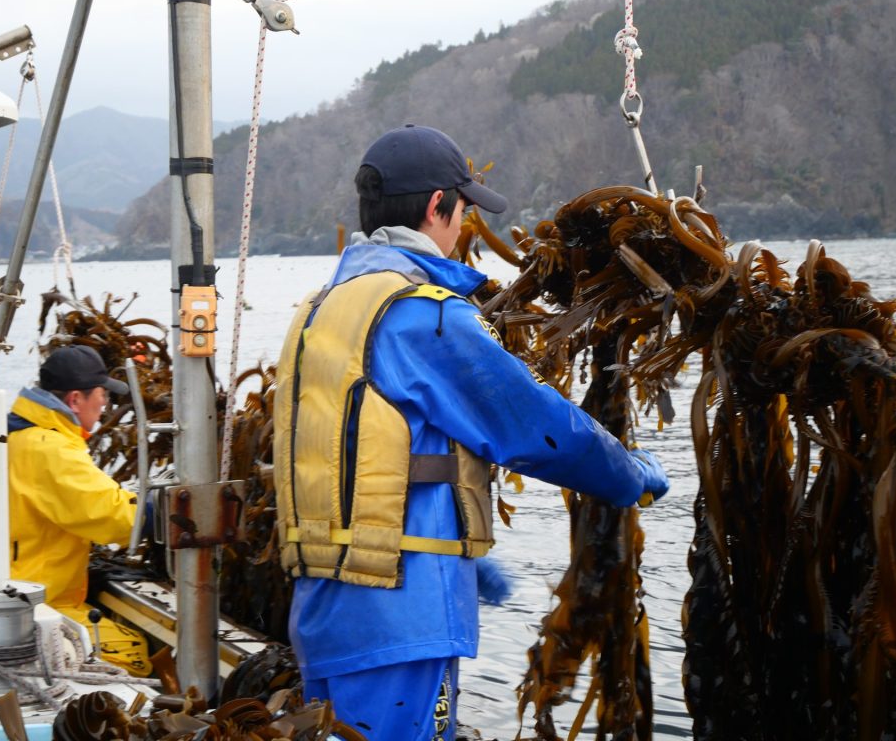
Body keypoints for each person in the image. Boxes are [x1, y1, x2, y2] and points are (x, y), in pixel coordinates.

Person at [273, 123, 670, 739]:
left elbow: (358, 455)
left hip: (327, 608)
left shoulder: (322, 308)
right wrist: (626, 474)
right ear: (437, 206)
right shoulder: (420, 312)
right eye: (462, 210)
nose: (462, 228)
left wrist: (464, 558)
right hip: (403, 615)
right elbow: (532, 423)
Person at [7, 344, 151, 676]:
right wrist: (156, 512)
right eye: (101, 395)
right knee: (132, 652)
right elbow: (111, 516)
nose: (105, 404)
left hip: (20, 595)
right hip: (41, 604)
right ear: (75, 400)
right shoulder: (50, 449)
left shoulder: (20, 433)